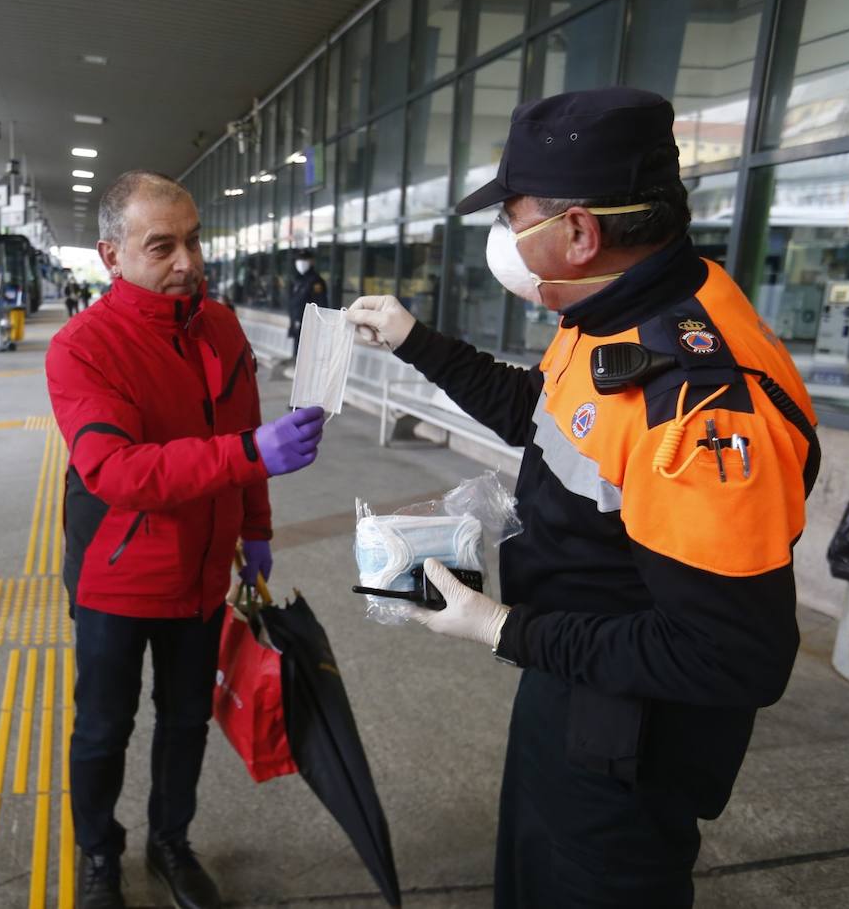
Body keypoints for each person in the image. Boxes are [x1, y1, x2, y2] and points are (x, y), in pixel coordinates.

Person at [346, 87, 819, 909]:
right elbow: (548, 414)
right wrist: (415, 341)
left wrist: (503, 627)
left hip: (631, 742)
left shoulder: (698, 404)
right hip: (571, 675)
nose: (504, 239)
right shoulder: (612, 313)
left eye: (513, 217)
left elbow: (733, 654)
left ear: (578, 232)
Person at [46, 170, 325, 909]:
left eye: (193, 240)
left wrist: (256, 525)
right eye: (162, 246)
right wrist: (252, 456)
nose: (187, 262)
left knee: (186, 720)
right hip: (118, 577)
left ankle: (171, 841)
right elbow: (116, 470)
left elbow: (242, 435)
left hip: (203, 574)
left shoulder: (222, 327)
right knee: (104, 729)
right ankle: (99, 854)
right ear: (112, 256)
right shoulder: (81, 347)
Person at [287, 248, 327, 356]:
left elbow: (321, 304)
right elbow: (292, 302)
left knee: (307, 356)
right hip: (296, 323)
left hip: (309, 326)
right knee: (297, 354)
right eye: (299, 260)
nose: (301, 263)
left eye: (304, 260)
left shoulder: (316, 281)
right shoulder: (296, 279)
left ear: (311, 261)